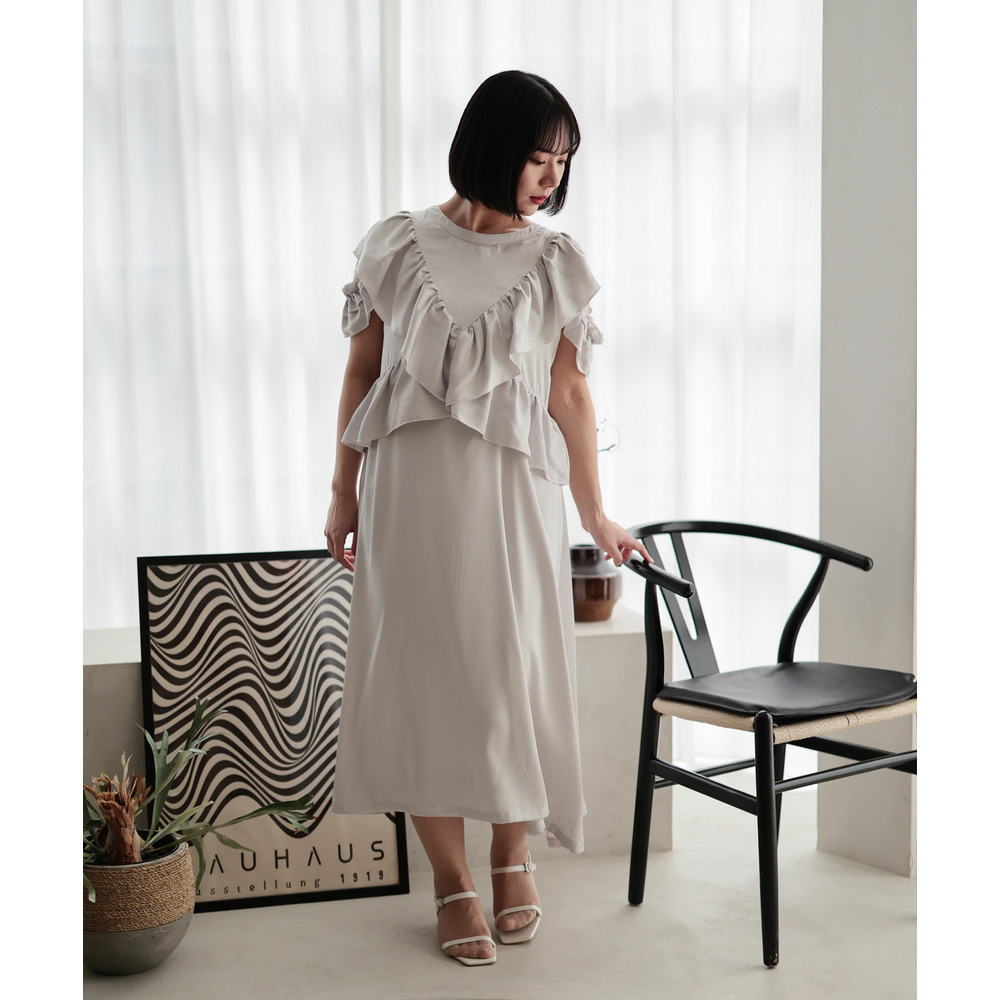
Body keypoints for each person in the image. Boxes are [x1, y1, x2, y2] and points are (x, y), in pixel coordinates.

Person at [324, 69, 649, 967]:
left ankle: (513, 856)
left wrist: (595, 512)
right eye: (538, 156)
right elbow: (361, 374)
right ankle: (450, 879)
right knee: (421, 680)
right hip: (409, 498)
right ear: (490, 146)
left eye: (563, 161)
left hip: (510, 500)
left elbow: (569, 395)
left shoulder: (556, 261)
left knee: (509, 674)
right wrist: (343, 491)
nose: (551, 176)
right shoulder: (395, 245)